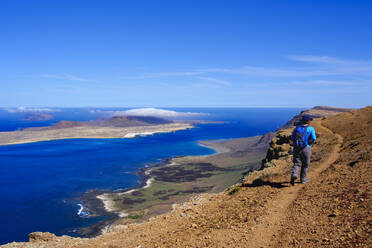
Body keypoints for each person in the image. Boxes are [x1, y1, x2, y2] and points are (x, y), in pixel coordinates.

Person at [290, 115, 316, 185]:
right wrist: (309, 143)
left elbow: (292, 137)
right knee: (305, 164)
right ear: (308, 121)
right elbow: (314, 138)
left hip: (296, 148)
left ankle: (294, 174)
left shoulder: (297, 128)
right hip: (306, 148)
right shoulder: (311, 129)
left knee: (297, 163)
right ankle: (303, 179)